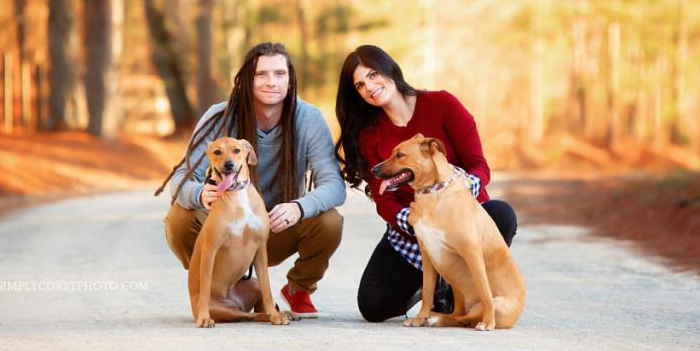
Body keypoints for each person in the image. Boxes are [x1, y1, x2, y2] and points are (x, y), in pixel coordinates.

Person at [158, 42, 346, 318]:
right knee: (180, 218)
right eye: (262, 74)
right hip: (224, 230)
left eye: (280, 74)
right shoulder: (219, 117)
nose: (272, 82)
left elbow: (334, 184)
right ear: (247, 79)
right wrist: (200, 194)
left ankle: (299, 287)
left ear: (291, 79)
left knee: (330, 222)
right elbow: (179, 179)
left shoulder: (308, 119)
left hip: (276, 226)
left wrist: (299, 207)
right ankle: (221, 284)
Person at [334, 45, 517, 323]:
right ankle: (427, 284)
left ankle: (465, 290)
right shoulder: (369, 133)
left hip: (461, 218)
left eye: (373, 75)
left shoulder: (442, 104)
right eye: (360, 85)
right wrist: (413, 220)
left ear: (389, 69)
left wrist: (456, 194)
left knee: (501, 215)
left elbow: (478, 164)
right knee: (373, 305)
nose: (369, 86)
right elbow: (382, 197)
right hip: (415, 227)